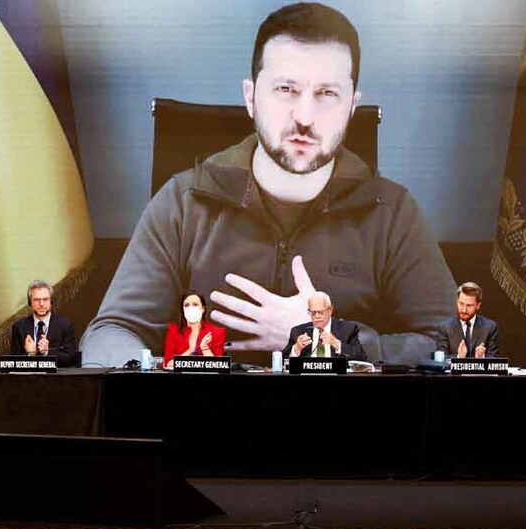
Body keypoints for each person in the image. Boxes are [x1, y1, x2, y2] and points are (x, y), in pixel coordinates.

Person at [80, 2, 455, 367]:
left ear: (352, 107)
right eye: (286, 89)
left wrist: (333, 340)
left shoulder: (393, 214)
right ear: (251, 98)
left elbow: (451, 345)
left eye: (327, 94)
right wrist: (156, 372)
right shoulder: (182, 204)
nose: (304, 117)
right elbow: (110, 332)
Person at [9, 280, 79, 367]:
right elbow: (12, 362)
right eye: (37, 300)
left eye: (45, 299)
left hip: (57, 379)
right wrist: (30, 355)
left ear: (51, 301)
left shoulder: (66, 326)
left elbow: (71, 359)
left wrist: (47, 352)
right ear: (30, 302)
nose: (41, 304)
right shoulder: (19, 327)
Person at [283, 291, 366, 360]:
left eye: (320, 312)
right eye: (313, 313)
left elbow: (361, 358)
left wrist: (336, 343)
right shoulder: (298, 331)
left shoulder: (347, 329)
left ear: (330, 310)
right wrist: (296, 349)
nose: (316, 317)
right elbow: (281, 361)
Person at [435, 281, 501, 358]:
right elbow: (440, 359)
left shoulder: (490, 327)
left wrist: (482, 358)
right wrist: (459, 357)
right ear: (457, 301)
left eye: (469, 305)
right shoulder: (444, 328)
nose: (464, 310)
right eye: (461, 303)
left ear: (478, 305)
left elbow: (495, 358)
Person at [163, 290, 227, 369]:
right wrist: (190, 351)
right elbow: (168, 363)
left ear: (203, 309)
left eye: (195, 304)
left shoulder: (217, 332)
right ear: (182, 310)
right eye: (186, 305)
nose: (191, 308)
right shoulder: (173, 330)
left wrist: (204, 348)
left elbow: (218, 366)